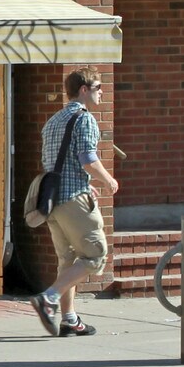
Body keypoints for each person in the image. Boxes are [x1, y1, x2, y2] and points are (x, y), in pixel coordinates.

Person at [32, 68, 117, 336]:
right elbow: (88, 159)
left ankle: (69, 319)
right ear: (84, 89)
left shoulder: (54, 120)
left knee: (67, 260)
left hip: (53, 202)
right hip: (73, 200)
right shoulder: (85, 119)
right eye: (98, 86)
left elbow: (56, 162)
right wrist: (108, 180)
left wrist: (84, 181)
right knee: (95, 256)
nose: (102, 91)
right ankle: (49, 297)